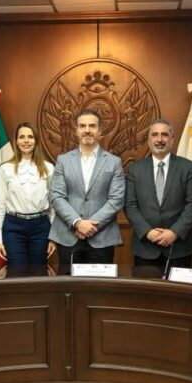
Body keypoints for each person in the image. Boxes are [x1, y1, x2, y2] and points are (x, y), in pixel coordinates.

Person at [49, 108, 125, 269]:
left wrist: (90, 226)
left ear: (100, 130)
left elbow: (117, 199)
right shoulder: (63, 160)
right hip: (68, 236)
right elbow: (56, 196)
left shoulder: (114, 162)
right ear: (76, 130)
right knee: (68, 283)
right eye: (82, 126)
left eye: (92, 126)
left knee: (100, 284)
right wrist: (77, 223)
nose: (87, 130)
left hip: (102, 237)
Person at [124, 119, 192, 271]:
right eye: (155, 135)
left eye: (164, 135)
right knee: (146, 287)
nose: (159, 139)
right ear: (148, 140)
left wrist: (174, 232)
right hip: (145, 247)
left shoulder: (188, 167)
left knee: (179, 287)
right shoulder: (135, 169)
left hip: (179, 247)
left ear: (172, 139)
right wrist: (147, 232)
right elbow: (129, 205)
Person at [0, 122, 55, 266]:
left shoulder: (49, 168)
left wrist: (54, 237)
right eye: (22, 137)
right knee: (16, 271)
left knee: (39, 272)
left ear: (36, 141)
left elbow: (54, 205)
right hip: (13, 227)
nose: (26, 140)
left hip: (41, 227)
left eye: (30, 137)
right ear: (16, 141)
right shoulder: (5, 169)